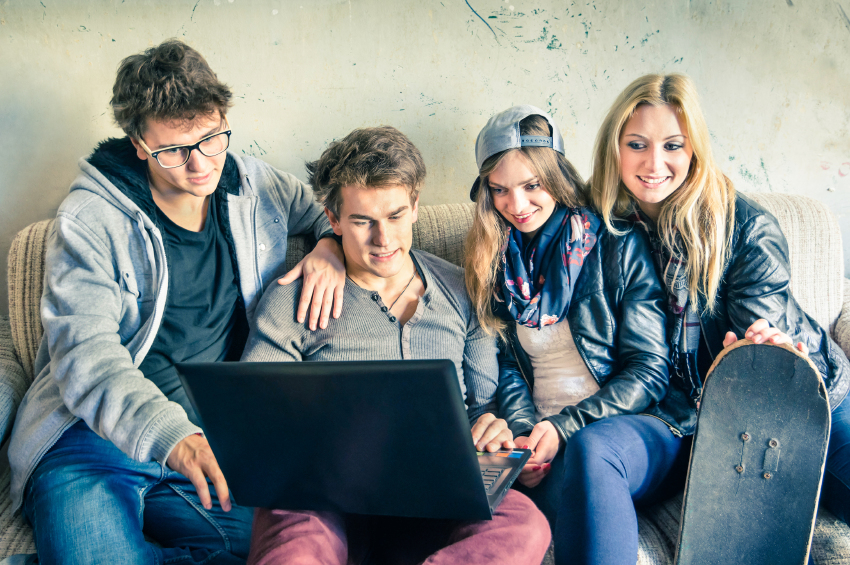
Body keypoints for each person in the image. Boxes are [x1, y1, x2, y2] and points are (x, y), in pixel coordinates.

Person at [8, 39, 347, 565]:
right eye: (173, 151)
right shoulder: (91, 218)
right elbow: (85, 358)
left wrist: (329, 246)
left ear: (223, 118)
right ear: (139, 144)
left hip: (207, 448)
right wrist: (174, 436)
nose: (199, 166)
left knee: (279, 550)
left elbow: (328, 211)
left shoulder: (254, 186)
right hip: (89, 443)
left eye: (211, 139)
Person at [241, 125, 551, 565]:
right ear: (332, 220)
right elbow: (254, 414)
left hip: (438, 488)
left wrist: (494, 431)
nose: (383, 240)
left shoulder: (462, 291)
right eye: (363, 221)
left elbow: (484, 407)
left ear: (416, 207)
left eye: (395, 216)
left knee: (525, 525)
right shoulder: (294, 296)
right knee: (295, 552)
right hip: (322, 495)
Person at [589, 73, 850, 525]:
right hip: (681, 414)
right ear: (614, 148)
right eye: (637, 144)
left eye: (673, 145)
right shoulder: (600, 226)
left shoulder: (748, 231)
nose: (654, 162)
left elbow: (758, 350)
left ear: (695, 150)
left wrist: (758, 351)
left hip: (802, 397)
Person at [463, 105, 679, 565]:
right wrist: (524, 434)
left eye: (530, 186)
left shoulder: (619, 244)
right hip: (541, 433)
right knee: (473, 497)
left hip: (626, 428)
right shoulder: (494, 258)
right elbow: (507, 367)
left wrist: (564, 428)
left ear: (557, 178)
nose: (516, 206)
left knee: (589, 455)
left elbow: (649, 371)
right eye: (499, 191)